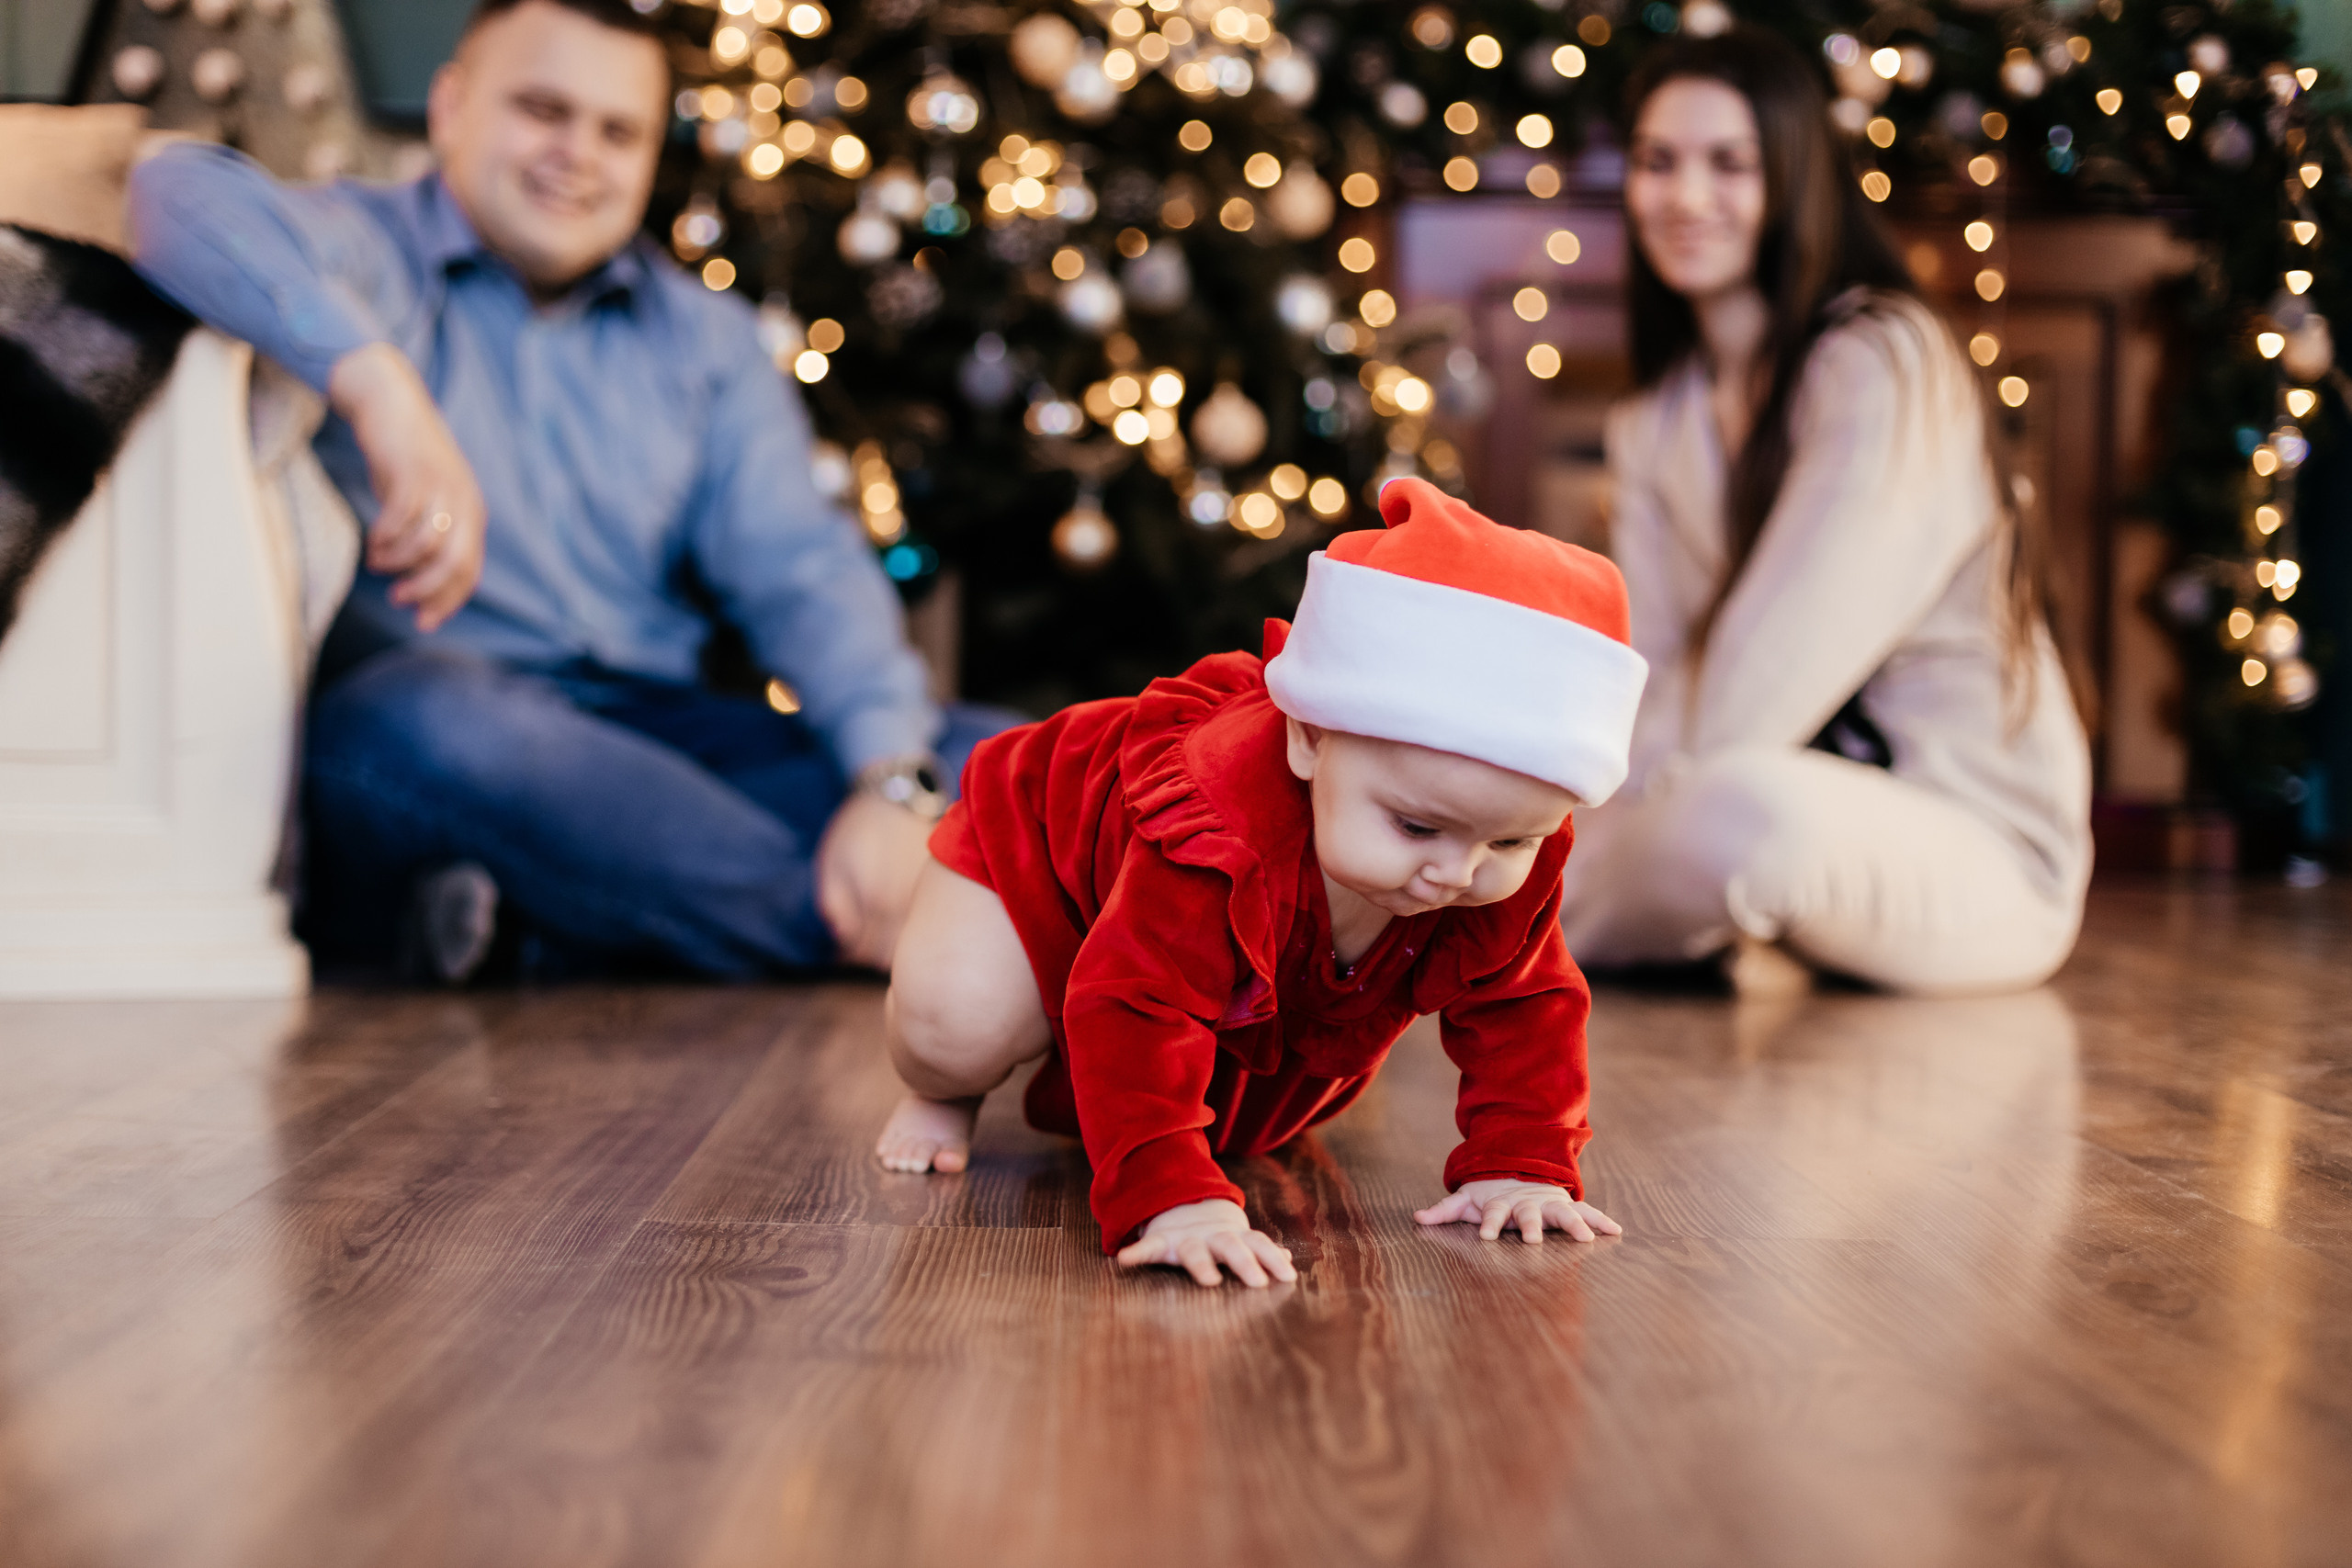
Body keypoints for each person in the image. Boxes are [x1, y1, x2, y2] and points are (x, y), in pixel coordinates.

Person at [128, 0, 984, 980]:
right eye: (542, 109)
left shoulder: (704, 341)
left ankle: (566, 925)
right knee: (443, 733)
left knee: (1002, 754)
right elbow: (168, 192)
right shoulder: (362, 249)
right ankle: (907, 931)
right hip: (434, 720)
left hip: (659, 737)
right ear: (450, 108)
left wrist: (890, 787)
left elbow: (804, 572)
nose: (577, 154)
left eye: (618, 131)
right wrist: (376, 384)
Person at [872, 479, 1645, 1287]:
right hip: (1039, 850)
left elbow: (1527, 1006)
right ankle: (941, 1090)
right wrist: (1171, 1196)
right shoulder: (1221, 826)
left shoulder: (1485, 836)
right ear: (1309, 740)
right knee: (954, 1029)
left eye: (1511, 838)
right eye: (1416, 827)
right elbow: (1136, 999)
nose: (1457, 870)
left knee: (1245, 1126)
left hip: (1244, 939)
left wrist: (1521, 1161)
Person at [1558, 28, 2093, 996]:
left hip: (1974, 850)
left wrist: (1577, 840)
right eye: (1656, 162)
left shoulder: (1886, 362)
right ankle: (1611, 917)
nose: (1684, 197)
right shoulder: (1652, 421)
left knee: (1737, 814)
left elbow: (1761, 678)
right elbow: (1646, 678)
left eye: (1730, 163)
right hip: (1743, 795)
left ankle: (1502, 932)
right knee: (1639, 805)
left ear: (1795, 175)